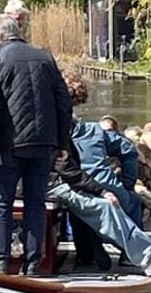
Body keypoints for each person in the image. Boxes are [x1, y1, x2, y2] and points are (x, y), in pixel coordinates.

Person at [0, 12, 73, 275]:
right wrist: (61, 142)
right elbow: (64, 103)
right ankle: (32, 265)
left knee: (2, 203)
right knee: (35, 202)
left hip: (10, 146)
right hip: (43, 144)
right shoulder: (45, 58)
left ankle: (0, 262)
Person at [47, 139, 151, 276]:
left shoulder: (54, 131)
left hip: (45, 182)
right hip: (50, 184)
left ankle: (144, 255)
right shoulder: (55, 132)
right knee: (106, 206)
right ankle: (149, 259)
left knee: (105, 204)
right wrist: (103, 191)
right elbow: (69, 171)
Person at [62, 75, 145, 226]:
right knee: (134, 203)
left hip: (66, 191)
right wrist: (127, 185)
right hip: (104, 189)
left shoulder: (47, 131)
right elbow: (128, 149)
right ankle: (136, 246)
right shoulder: (93, 131)